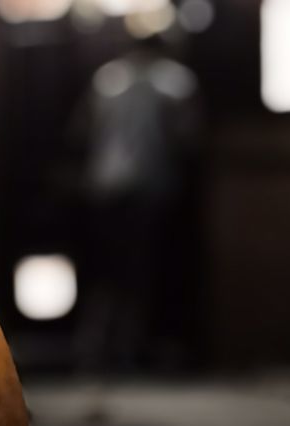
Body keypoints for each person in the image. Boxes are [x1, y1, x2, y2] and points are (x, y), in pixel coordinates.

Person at [75, 35, 200, 371]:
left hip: (104, 183)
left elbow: (84, 128)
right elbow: (188, 136)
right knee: (142, 268)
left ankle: (96, 346)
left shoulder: (107, 78)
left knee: (105, 268)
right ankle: (130, 347)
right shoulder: (176, 81)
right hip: (149, 183)